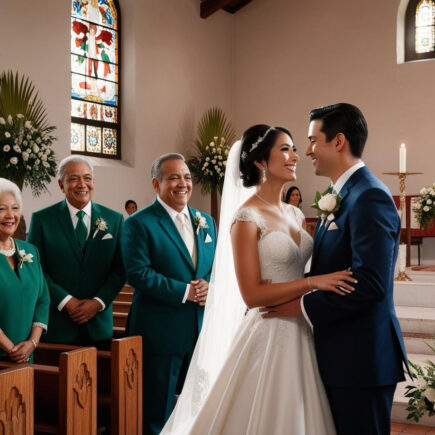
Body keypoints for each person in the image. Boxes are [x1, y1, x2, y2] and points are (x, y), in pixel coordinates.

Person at [163, 125, 357, 434]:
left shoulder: (294, 214)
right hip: (270, 330)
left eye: (294, 148)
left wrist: (299, 287)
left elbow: (299, 268)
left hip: (304, 326)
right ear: (259, 162)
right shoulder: (246, 218)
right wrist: (311, 284)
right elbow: (252, 295)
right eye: (285, 149)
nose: (295, 155)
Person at [265, 104, 408, 435]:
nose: (308, 151)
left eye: (314, 140)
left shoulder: (370, 196)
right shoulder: (342, 193)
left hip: (361, 362)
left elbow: (370, 285)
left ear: (338, 141)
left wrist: (299, 305)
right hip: (341, 356)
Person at [121, 153, 217, 435]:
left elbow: (217, 265)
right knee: (157, 413)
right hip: (160, 332)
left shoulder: (206, 221)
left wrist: (209, 285)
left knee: (200, 406)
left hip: (201, 330)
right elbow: (138, 273)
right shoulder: (139, 223)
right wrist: (186, 291)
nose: (183, 183)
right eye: (174, 177)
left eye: (186, 177)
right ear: (156, 183)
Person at [27, 155, 125, 346]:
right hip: (58, 325)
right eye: (74, 178)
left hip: (99, 325)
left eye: (87, 178)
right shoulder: (42, 220)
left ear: (93, 182)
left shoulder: (114, 219)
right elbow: (37, 269)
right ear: (61, 185)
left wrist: (97, 303)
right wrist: (67, 301)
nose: (82, 184)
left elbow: (121, 269)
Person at [0, 178, 49, 362]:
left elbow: (43, 299)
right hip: (9, 355)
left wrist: (32, 343)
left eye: (14, 208)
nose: (10, 215)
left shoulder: (29, 251)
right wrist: (12, 349)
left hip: (26, 356)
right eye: (1, 209)